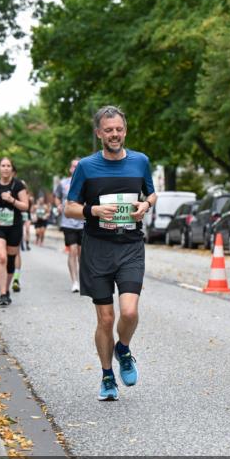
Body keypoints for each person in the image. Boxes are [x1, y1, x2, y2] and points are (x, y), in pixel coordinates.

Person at [66, 106, 156, 401]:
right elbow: (69, 207)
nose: (114, 134)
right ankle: (107, 377)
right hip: (98, 248)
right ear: (99, 134)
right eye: (108, 130)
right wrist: (92, 210)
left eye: (118, 129)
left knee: (129, 311)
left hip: (130, 245)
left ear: (125, 130)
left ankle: (124, 349)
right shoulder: (87, 167)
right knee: (105, 319)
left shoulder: (140, 161)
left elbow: (151, 193)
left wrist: (146, 205)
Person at [0, 158, 30, 307]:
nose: (5, 168)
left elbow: (25, 206)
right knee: (2, 257)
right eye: (3, 166)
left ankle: (7, 289)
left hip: (14, 226)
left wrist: (12, 200)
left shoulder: (18, 185)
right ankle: (3, 293)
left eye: (8, 166)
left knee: (10, 260)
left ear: (12, 169)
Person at [55, 158, 85, 293]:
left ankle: (82, 279)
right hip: (68, 222)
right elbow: (56, 196)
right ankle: (74, 281)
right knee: (72, 250)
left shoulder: (86, 183)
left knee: (81, 253)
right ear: (70, 169)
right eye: (73, 166)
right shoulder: (63, 183)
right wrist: (59, 205)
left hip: (83, 222)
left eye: (78, 167)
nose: (75, 169)